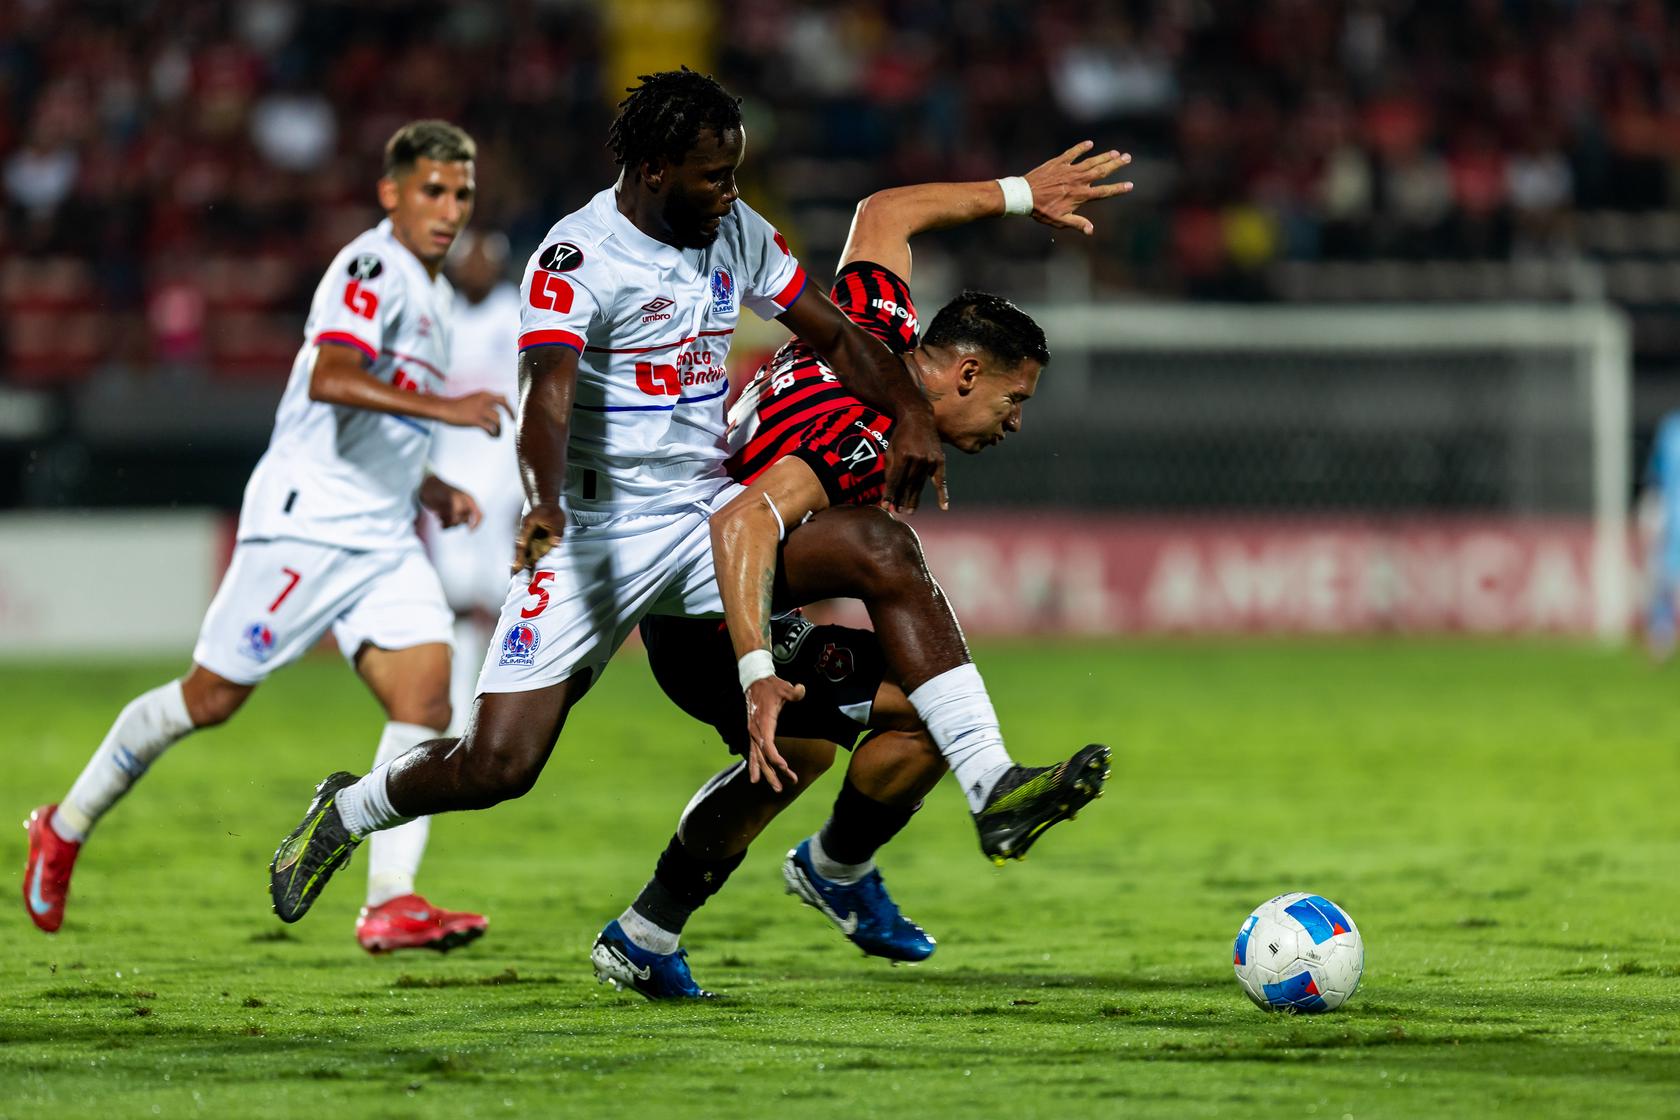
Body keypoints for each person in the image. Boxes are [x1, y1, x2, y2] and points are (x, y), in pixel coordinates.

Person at [266, 70, 1101, 951]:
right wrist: (544, 503)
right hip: (593, 536)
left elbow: (836, 333)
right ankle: (348, 808)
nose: (731, 193)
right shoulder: (576, 257)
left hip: (701, 515)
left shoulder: (734, 232)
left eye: (735, 173)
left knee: (878, 549)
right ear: (655, 169)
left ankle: (987, 780)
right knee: (498, 766)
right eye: (715, 177)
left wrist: (910, 414)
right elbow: (547, 394)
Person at [597, 143, 1131, 998]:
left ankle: (665, 927)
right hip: (706, 608)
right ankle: (980, 786)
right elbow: (744, 519)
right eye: (1013, 400)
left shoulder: (871, 326)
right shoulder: (858, 432)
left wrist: (1019, 193)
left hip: (739, 594)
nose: (1015, 423)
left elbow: (885, 212)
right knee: (880, 556)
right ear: (965, 373)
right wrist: (757, 667)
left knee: (889, 724)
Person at [23, 121, 503, 955]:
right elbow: (332, 377)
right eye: (433, 189)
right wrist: (450, 409)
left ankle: (390, 900)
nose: (450, 209)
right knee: (210, 698)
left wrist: (429, 483)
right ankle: (62, 827)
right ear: (391, 193)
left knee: (428, 702)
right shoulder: (370, 268)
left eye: (462, 194)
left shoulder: (436, 294)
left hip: (383, 534)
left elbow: (377, 420)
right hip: (306, 523)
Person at [421, 230, 524, 732]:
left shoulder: (516, 314)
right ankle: (462, 710)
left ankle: (511, 706)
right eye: (467, 261)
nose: (475, 269)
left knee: (507, 600)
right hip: (453, 475)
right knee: (458, 600)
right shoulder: (442, 319)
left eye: (484, 260)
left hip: (503, 477)